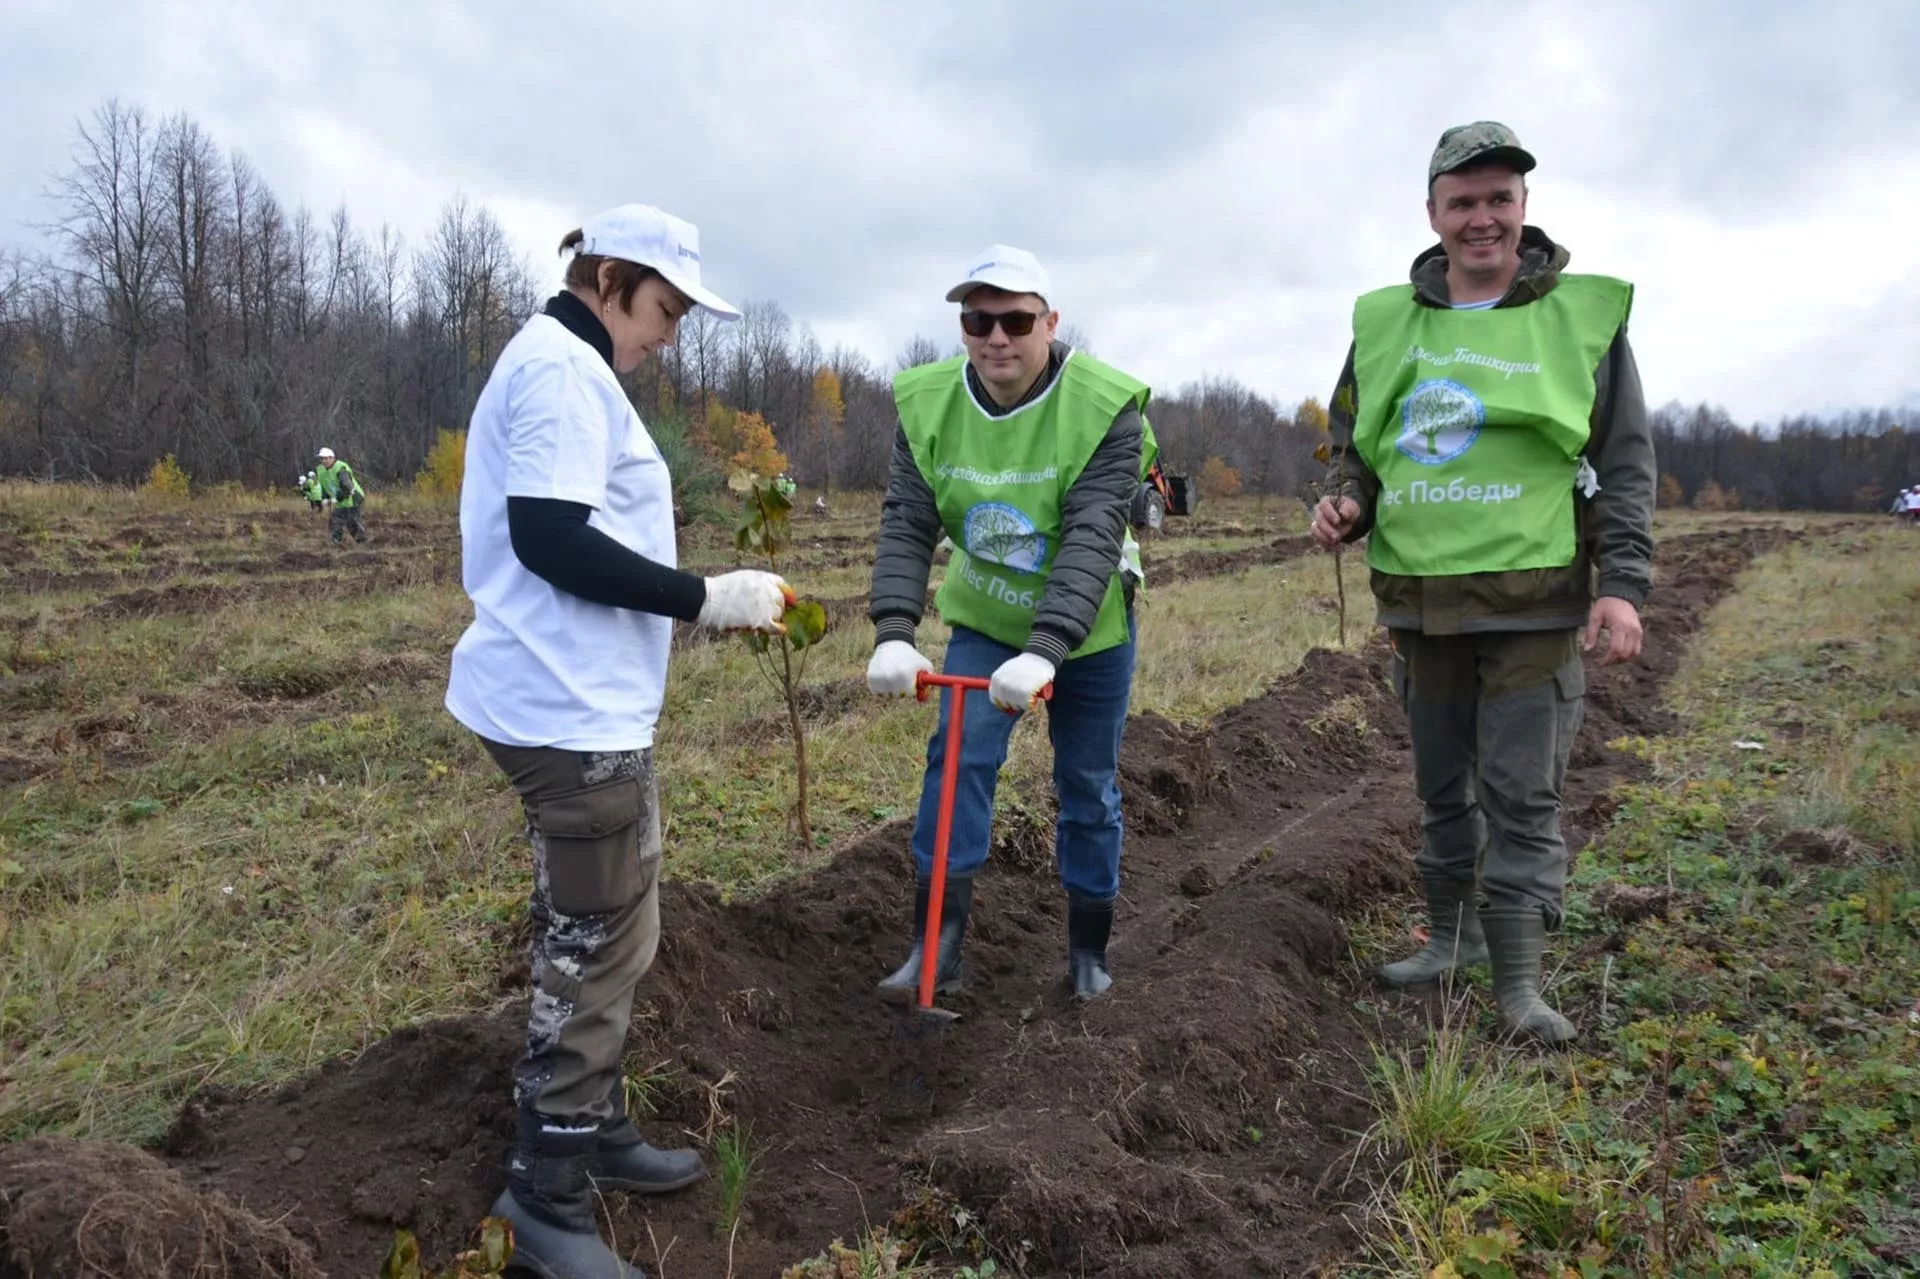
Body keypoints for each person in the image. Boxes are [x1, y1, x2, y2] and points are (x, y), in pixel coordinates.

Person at [445, 203, 792, 1279]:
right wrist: (701, 596)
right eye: (665, 309)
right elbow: (549, 536)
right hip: (564, 711)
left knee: (621, 929)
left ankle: (589, 1129)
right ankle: (543, 1201)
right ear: (608, 278)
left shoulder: (574, 367)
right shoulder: (558, 370)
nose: (670, 335)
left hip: (587, 706)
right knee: (591, 949)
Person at [1310, 123, 1655, 1045]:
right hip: (1423, 602)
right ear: (1433, 213)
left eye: (1499, 198)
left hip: (1536, 603)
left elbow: (1622, 460)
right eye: (1463, 201)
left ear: (1524, 209)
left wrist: (1621, 585)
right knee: (1440, 786)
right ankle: (1451, 940)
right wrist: (1346, 500)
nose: (1482, 219)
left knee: (1522, 792)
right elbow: (1360, 445)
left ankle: (1518, 981)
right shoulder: (1388, 324)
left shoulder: (1577, 319)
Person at [866, 244, 1156, 1004]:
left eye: (1017, 319)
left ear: (1050, 322)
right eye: (978, 319)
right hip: (989, 613)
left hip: (1087, 627)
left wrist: (1048, 649)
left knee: (1085, 784)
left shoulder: (1105, 408)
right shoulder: (928, 406)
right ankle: (938, 948)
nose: (997, 336)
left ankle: (1088, 951)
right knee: (956, 761)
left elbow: (1095, 535)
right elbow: (906, 521)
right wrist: (894, 627)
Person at [313, 448, 368, 544]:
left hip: (353, 497)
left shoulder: (340, 469)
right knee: (336, 520)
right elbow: (324, 485)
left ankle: (362, 542)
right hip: (338, 500)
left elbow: (348, 487)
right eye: (322, 459)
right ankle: (336, 542)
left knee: (352, 521)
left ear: (332, 458)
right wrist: (325, 498)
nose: (323, 461)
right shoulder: (321, 470)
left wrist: (337, 498)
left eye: (326, 458)